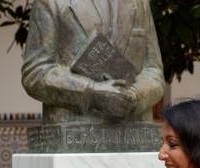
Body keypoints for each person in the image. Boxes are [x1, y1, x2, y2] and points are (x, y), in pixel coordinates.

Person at [21, 0, 164, 124]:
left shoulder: (140, 3)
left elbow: (153, 70)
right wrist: (92, 92)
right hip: (74, 132)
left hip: (133, 130)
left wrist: (134, 96)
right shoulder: (51, 2)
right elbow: (35, 72)